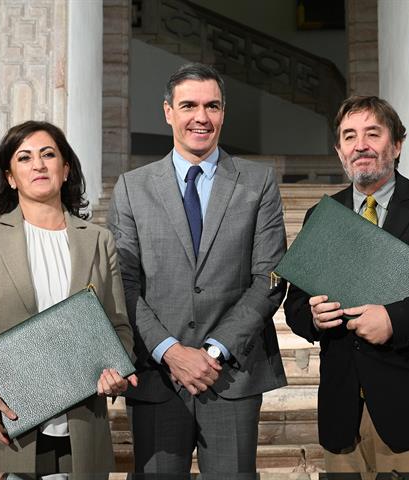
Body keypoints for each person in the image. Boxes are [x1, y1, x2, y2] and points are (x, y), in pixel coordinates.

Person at [283, 96, 409, 472]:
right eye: (349, 136)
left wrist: (395, 320)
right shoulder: (322, 215)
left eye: (372, 133)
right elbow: (295, 302)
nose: (360, 145)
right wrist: (313, 318)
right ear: (340, 151)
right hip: (341, 417)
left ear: (396, 145)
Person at [0, 120, 136, 475]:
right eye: (24, 158)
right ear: (10, 176)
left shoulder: (99, 241)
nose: (38, 164)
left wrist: (116, 368)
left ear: (65, 169)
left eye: (48, 154)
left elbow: (119, 328)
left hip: (79, 431)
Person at [107, 63, 287, 473]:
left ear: (223, 113)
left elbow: (272, 277)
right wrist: (171, 352)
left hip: (231, 375)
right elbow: (123, 283)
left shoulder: (257, 182)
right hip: (157, 377)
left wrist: (212, 351)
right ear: (168, 111)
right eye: (189, 105)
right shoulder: (132, 188)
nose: (200, 117)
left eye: (212, 106)